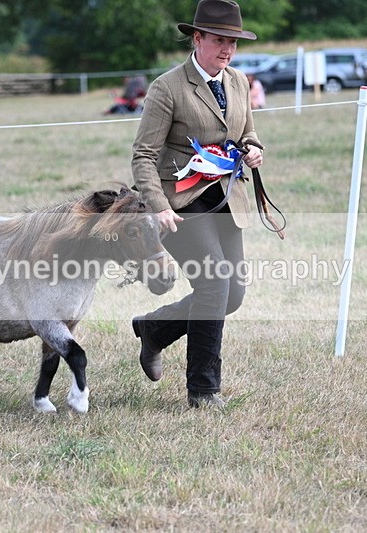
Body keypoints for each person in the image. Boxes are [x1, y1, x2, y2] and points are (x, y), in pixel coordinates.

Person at [130, 0, 263, 408]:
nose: (227, 50)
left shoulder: (238, 82)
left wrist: (254, 149)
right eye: (220, 40)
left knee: (232, 295)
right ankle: (203, 389)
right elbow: (143, 155)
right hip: (181, 204)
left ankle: (155, 330)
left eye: (233, 43)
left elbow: (247, 134)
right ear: (198, 37)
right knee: (214, 283)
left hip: (227, 199)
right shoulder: (167, 87)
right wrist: (158, 206)